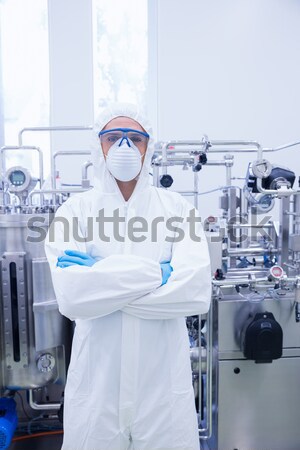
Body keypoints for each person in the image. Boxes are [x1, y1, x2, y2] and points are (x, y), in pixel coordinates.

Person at [45, 103, 212, 450]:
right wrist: (160, 275)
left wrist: (99, 276)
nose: (124, 147)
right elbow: (74, 298)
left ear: (148, 147)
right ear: (99, 146)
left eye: (135, 138)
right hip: (97, 388)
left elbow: (195, 293)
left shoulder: (178, 209)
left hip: (163, 390)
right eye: (113, 137)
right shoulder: (74, 212)